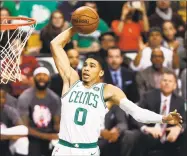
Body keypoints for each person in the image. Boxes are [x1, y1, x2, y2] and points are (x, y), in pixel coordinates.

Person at [50, 27, 182, 156]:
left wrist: (163, 118)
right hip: (63, 148)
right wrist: (75, 28)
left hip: (87, 150)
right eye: (85, 65)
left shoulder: (108, 91)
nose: (86, 68)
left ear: (101, 72)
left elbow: (137, 112)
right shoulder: (71, 82)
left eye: (92, 66)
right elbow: (55, 44)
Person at [17, 67, 61, 156]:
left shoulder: (55, 98)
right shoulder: (25, 97)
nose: (41, 77)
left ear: (49, 79)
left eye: (44, 75)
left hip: (50, 134)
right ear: (33, 78)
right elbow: (24, 127)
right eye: (38, 75)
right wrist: (45, 136)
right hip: (32, 135)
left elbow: (57, 125)